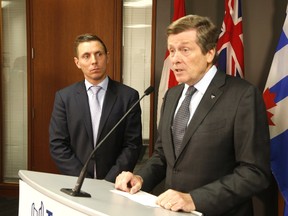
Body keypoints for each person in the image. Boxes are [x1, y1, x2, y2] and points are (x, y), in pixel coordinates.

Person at [115, 15, 271, 216]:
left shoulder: (243, 95)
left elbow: (254, 173)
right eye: (172, 50)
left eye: (185, 50)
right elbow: (163, 155)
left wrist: (195, 199)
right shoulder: (172, 95)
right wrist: (140, 178)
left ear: (210, 52)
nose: (175, 58)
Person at [49, 33, 142, 183]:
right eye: (86, 56)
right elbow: (58, 145)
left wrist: (110, 180)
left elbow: (132, 145)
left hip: (115, 183)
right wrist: (84, 179)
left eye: (99, 54)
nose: (94, 61)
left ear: (107, 57)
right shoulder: (64, 98)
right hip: (76, 183)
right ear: (77, 62)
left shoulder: (128, 96)